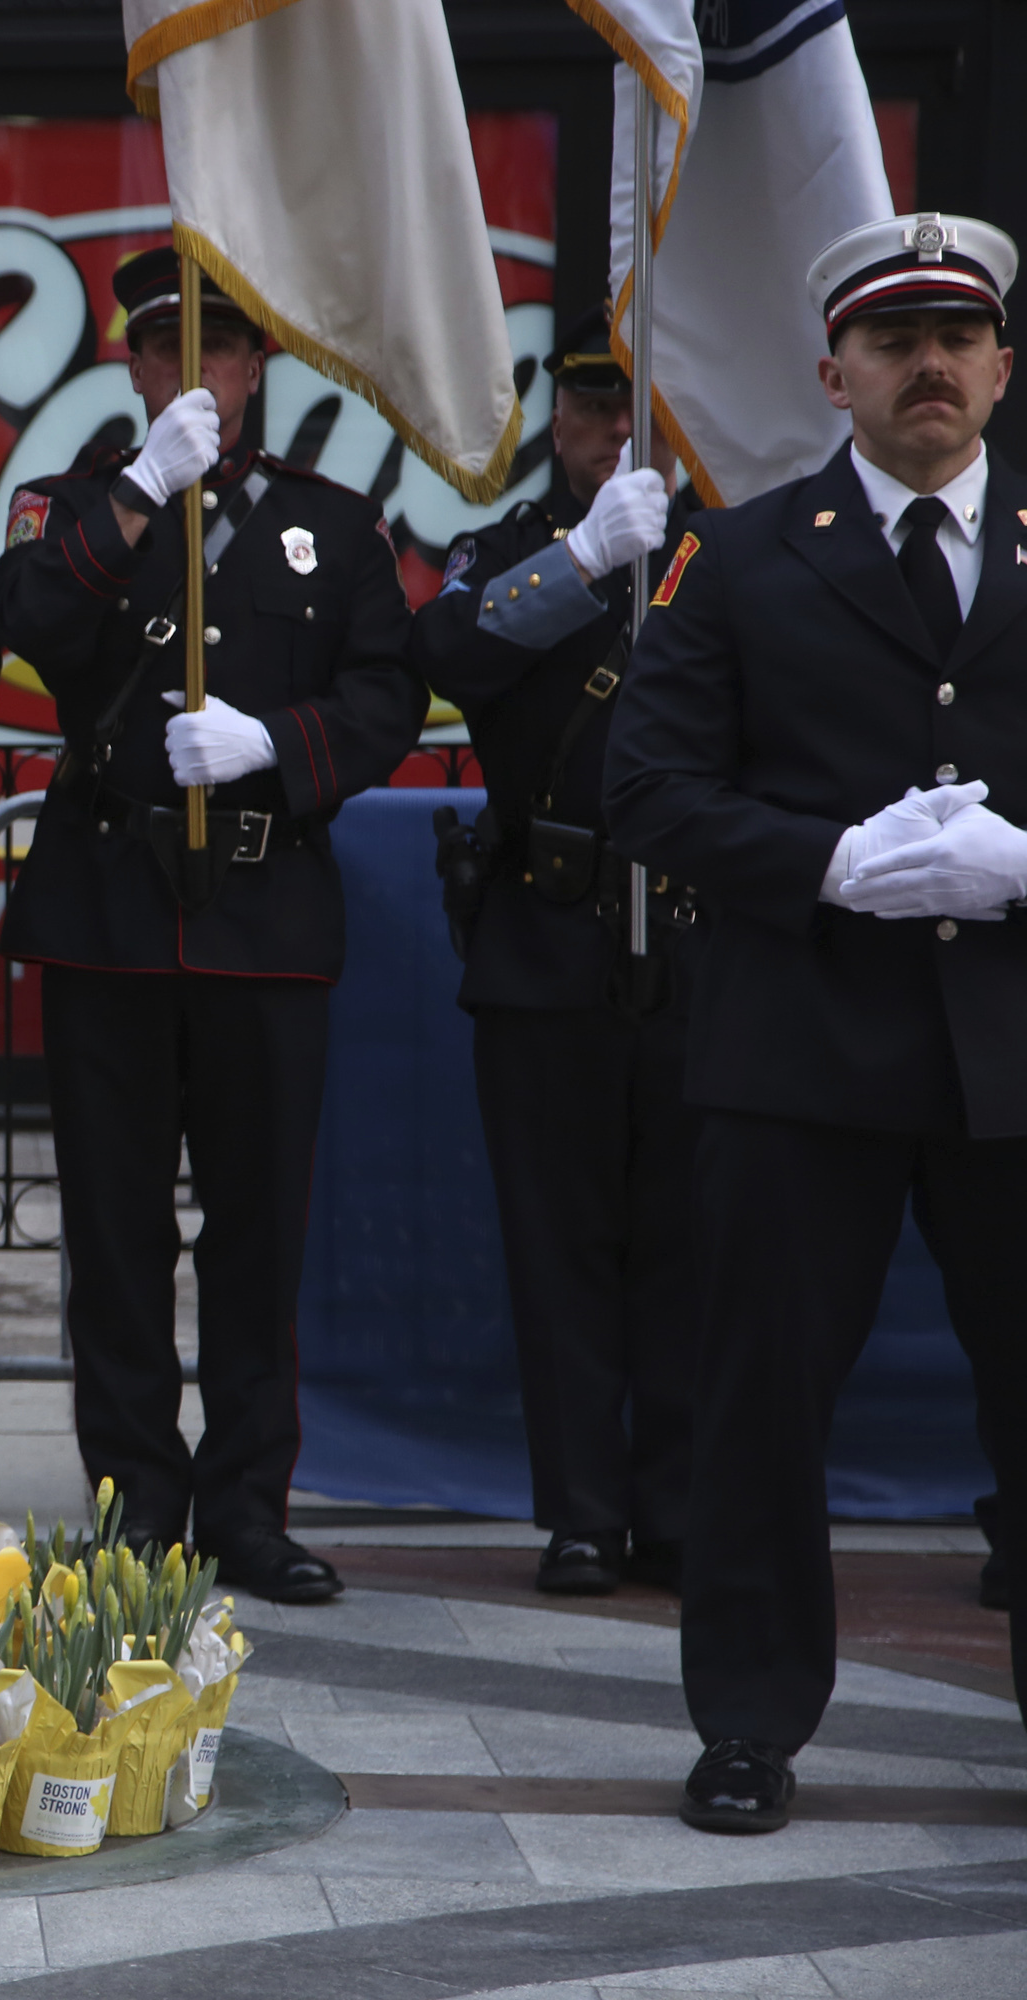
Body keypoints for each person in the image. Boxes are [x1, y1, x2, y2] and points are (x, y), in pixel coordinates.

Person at [605, 211, 1027, 1834]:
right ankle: (750, 1724)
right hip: (802, 1048)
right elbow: (645, 785)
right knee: (765, 1412)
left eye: (959, 337)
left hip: (1010, 1053)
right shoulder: (748, 557)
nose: (931, 365)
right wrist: (828, 860)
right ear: (832, 370)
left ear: (1001, 364)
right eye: (896, 340)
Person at [0, 249, 423, 1604]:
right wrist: (138, 492)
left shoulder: (333, 526)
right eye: (168, 348)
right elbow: (26, 621)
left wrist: (270, 745)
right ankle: (134, 1500)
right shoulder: (69, 505)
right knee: (115, 1239)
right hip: (112, 914)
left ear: (261, 365)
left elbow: (387, 698)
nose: (197, 373)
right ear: (133, 365)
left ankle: (247, 1503)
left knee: (256, 1233)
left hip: (264, 920)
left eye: (223, 349)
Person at [411, 307, 699, 1597]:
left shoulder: (734, 550)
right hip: (549, 934)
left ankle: (681, 1503)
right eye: (590, 408)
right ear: (558, 420)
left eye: (636, 405)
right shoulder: (517, 548)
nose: (611, 432)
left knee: (692, 1244)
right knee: (561, 1245)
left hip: (697, 944)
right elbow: (449, 651)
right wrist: (585, 559)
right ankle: (583, 1510)